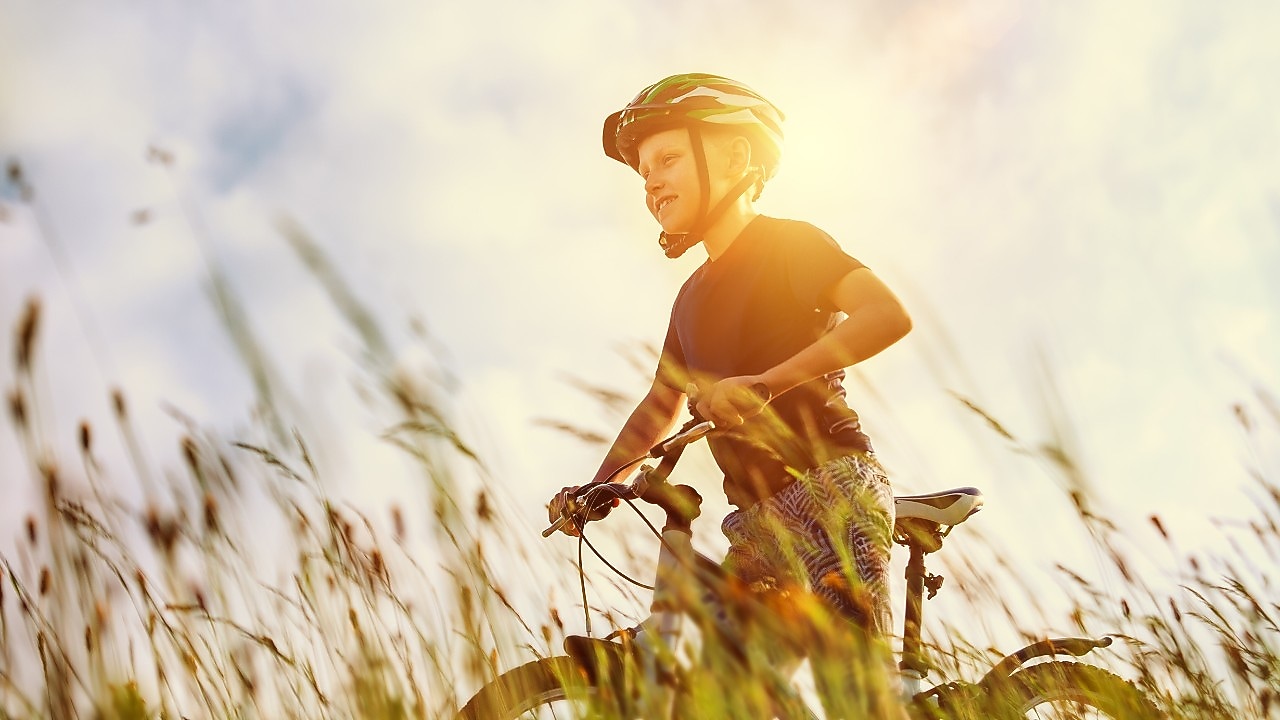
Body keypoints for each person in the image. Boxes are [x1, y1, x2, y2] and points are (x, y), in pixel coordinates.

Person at [548, 73, 912, 717]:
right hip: (755, 523)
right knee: (723, 699)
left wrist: (768, 384)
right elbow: (659, 405)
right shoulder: (689, 299)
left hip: (833, 487)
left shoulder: (789, 244)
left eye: (668, 159)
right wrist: (601, 485)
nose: (652, 181)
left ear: (736, 158)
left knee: (857, 699)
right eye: (642, 173)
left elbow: (885, 315)